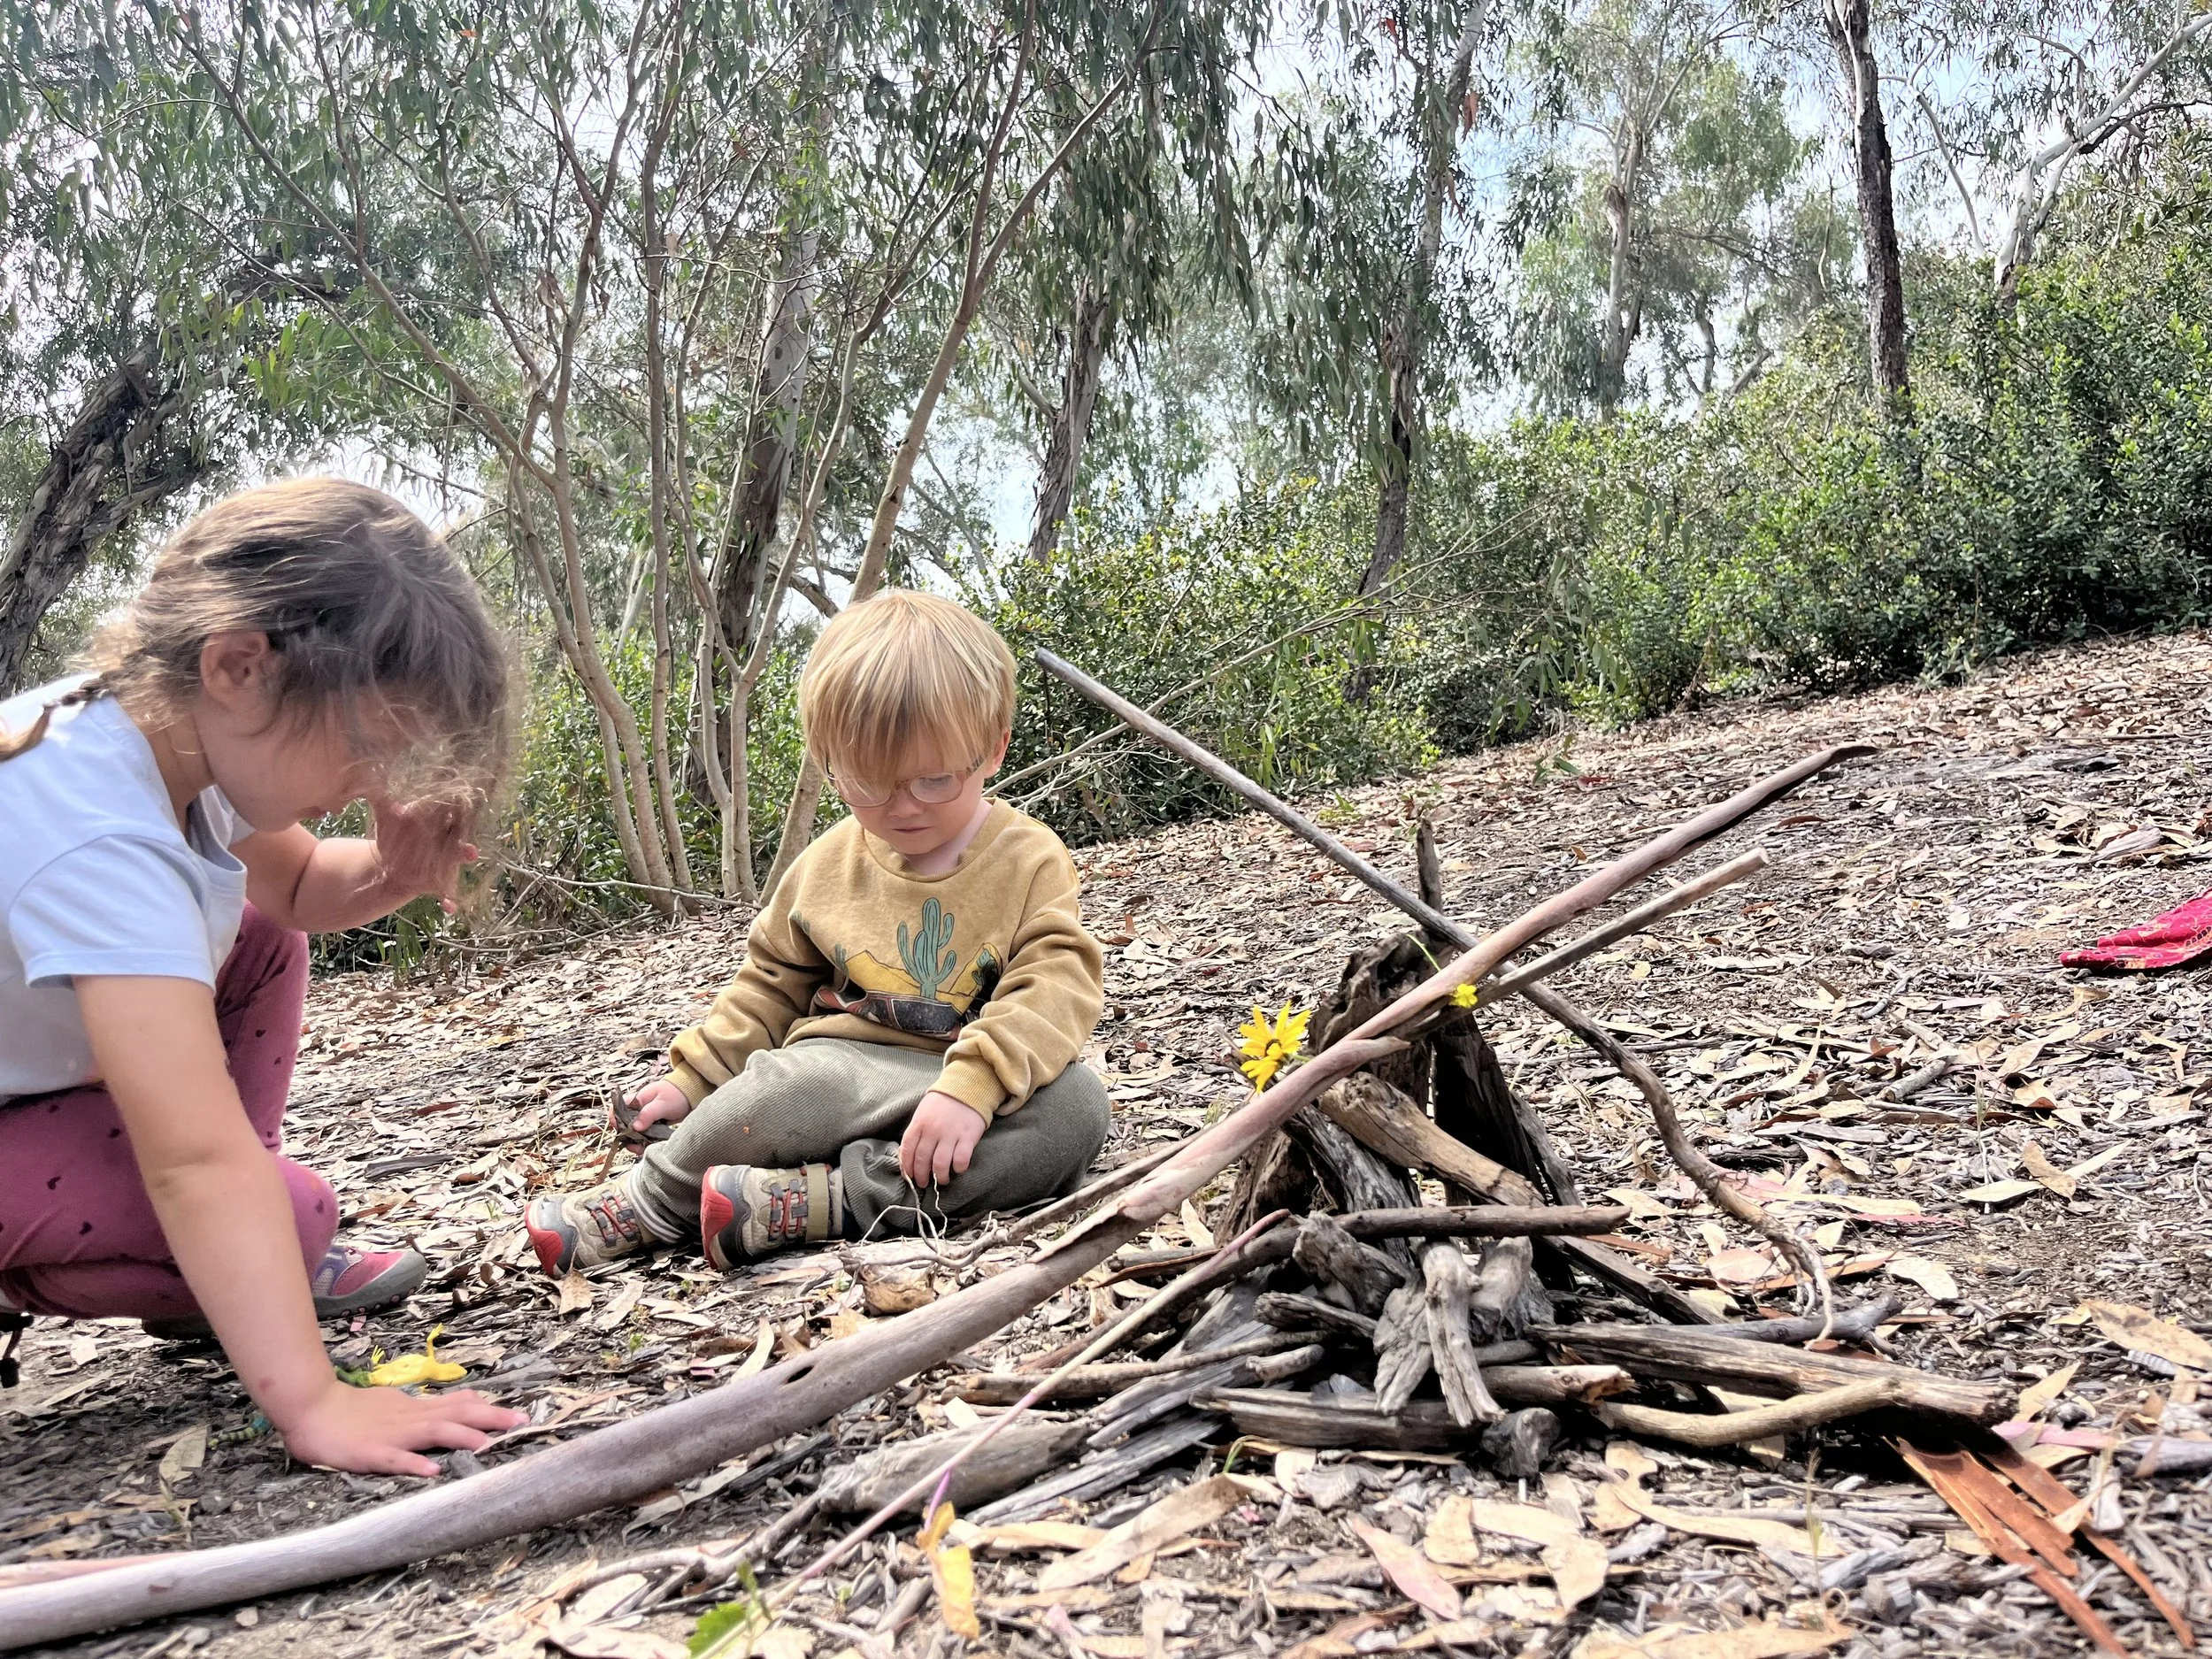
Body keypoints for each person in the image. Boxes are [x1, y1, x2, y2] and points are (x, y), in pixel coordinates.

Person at [0, 479, 526, 1476]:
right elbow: (193, 1163)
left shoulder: (156, 736)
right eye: (369, 747)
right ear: (240, 663)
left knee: (254, 935)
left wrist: (392, 871)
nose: (377, 783)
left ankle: (237, 1255)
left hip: (28, 1077)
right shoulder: (97, 832)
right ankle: (211, 1262)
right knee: (283, 1217)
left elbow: (297, 889)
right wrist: (316, 1403)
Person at [526, 590, 1110, 1274]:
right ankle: (654, 1198)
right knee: (775, 1090)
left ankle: (827, 1200)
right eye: (867, 783)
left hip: (959, 1090)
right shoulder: (826, 865)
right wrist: (696, 1077)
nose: (902, 806)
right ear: (828, 762)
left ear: (994, 749)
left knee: (1076, 1110)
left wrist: (972, 1087)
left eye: (934, 780)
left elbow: (1056, 983)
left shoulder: (1030, 859)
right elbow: (767, 988)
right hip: (836, 1074)